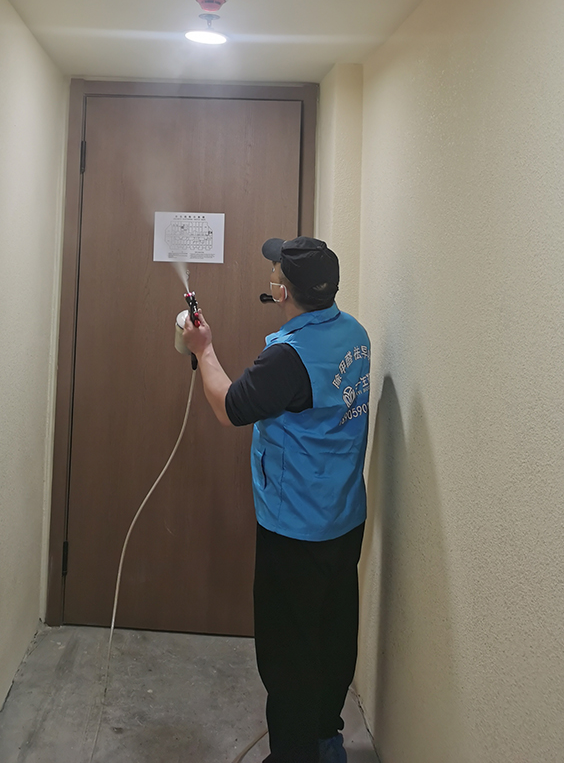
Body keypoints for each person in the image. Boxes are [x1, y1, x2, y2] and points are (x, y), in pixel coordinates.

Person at [182, 236, 370, 763]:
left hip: (295, 530)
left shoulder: (289, 359)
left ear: (283, 292)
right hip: (344, 519)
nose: (271, 279)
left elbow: (230, 407)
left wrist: (203, 350)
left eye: (276, 274)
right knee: (332, 635)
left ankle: (294, 754)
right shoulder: (354, 334)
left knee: (288, 656)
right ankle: (326, 740)